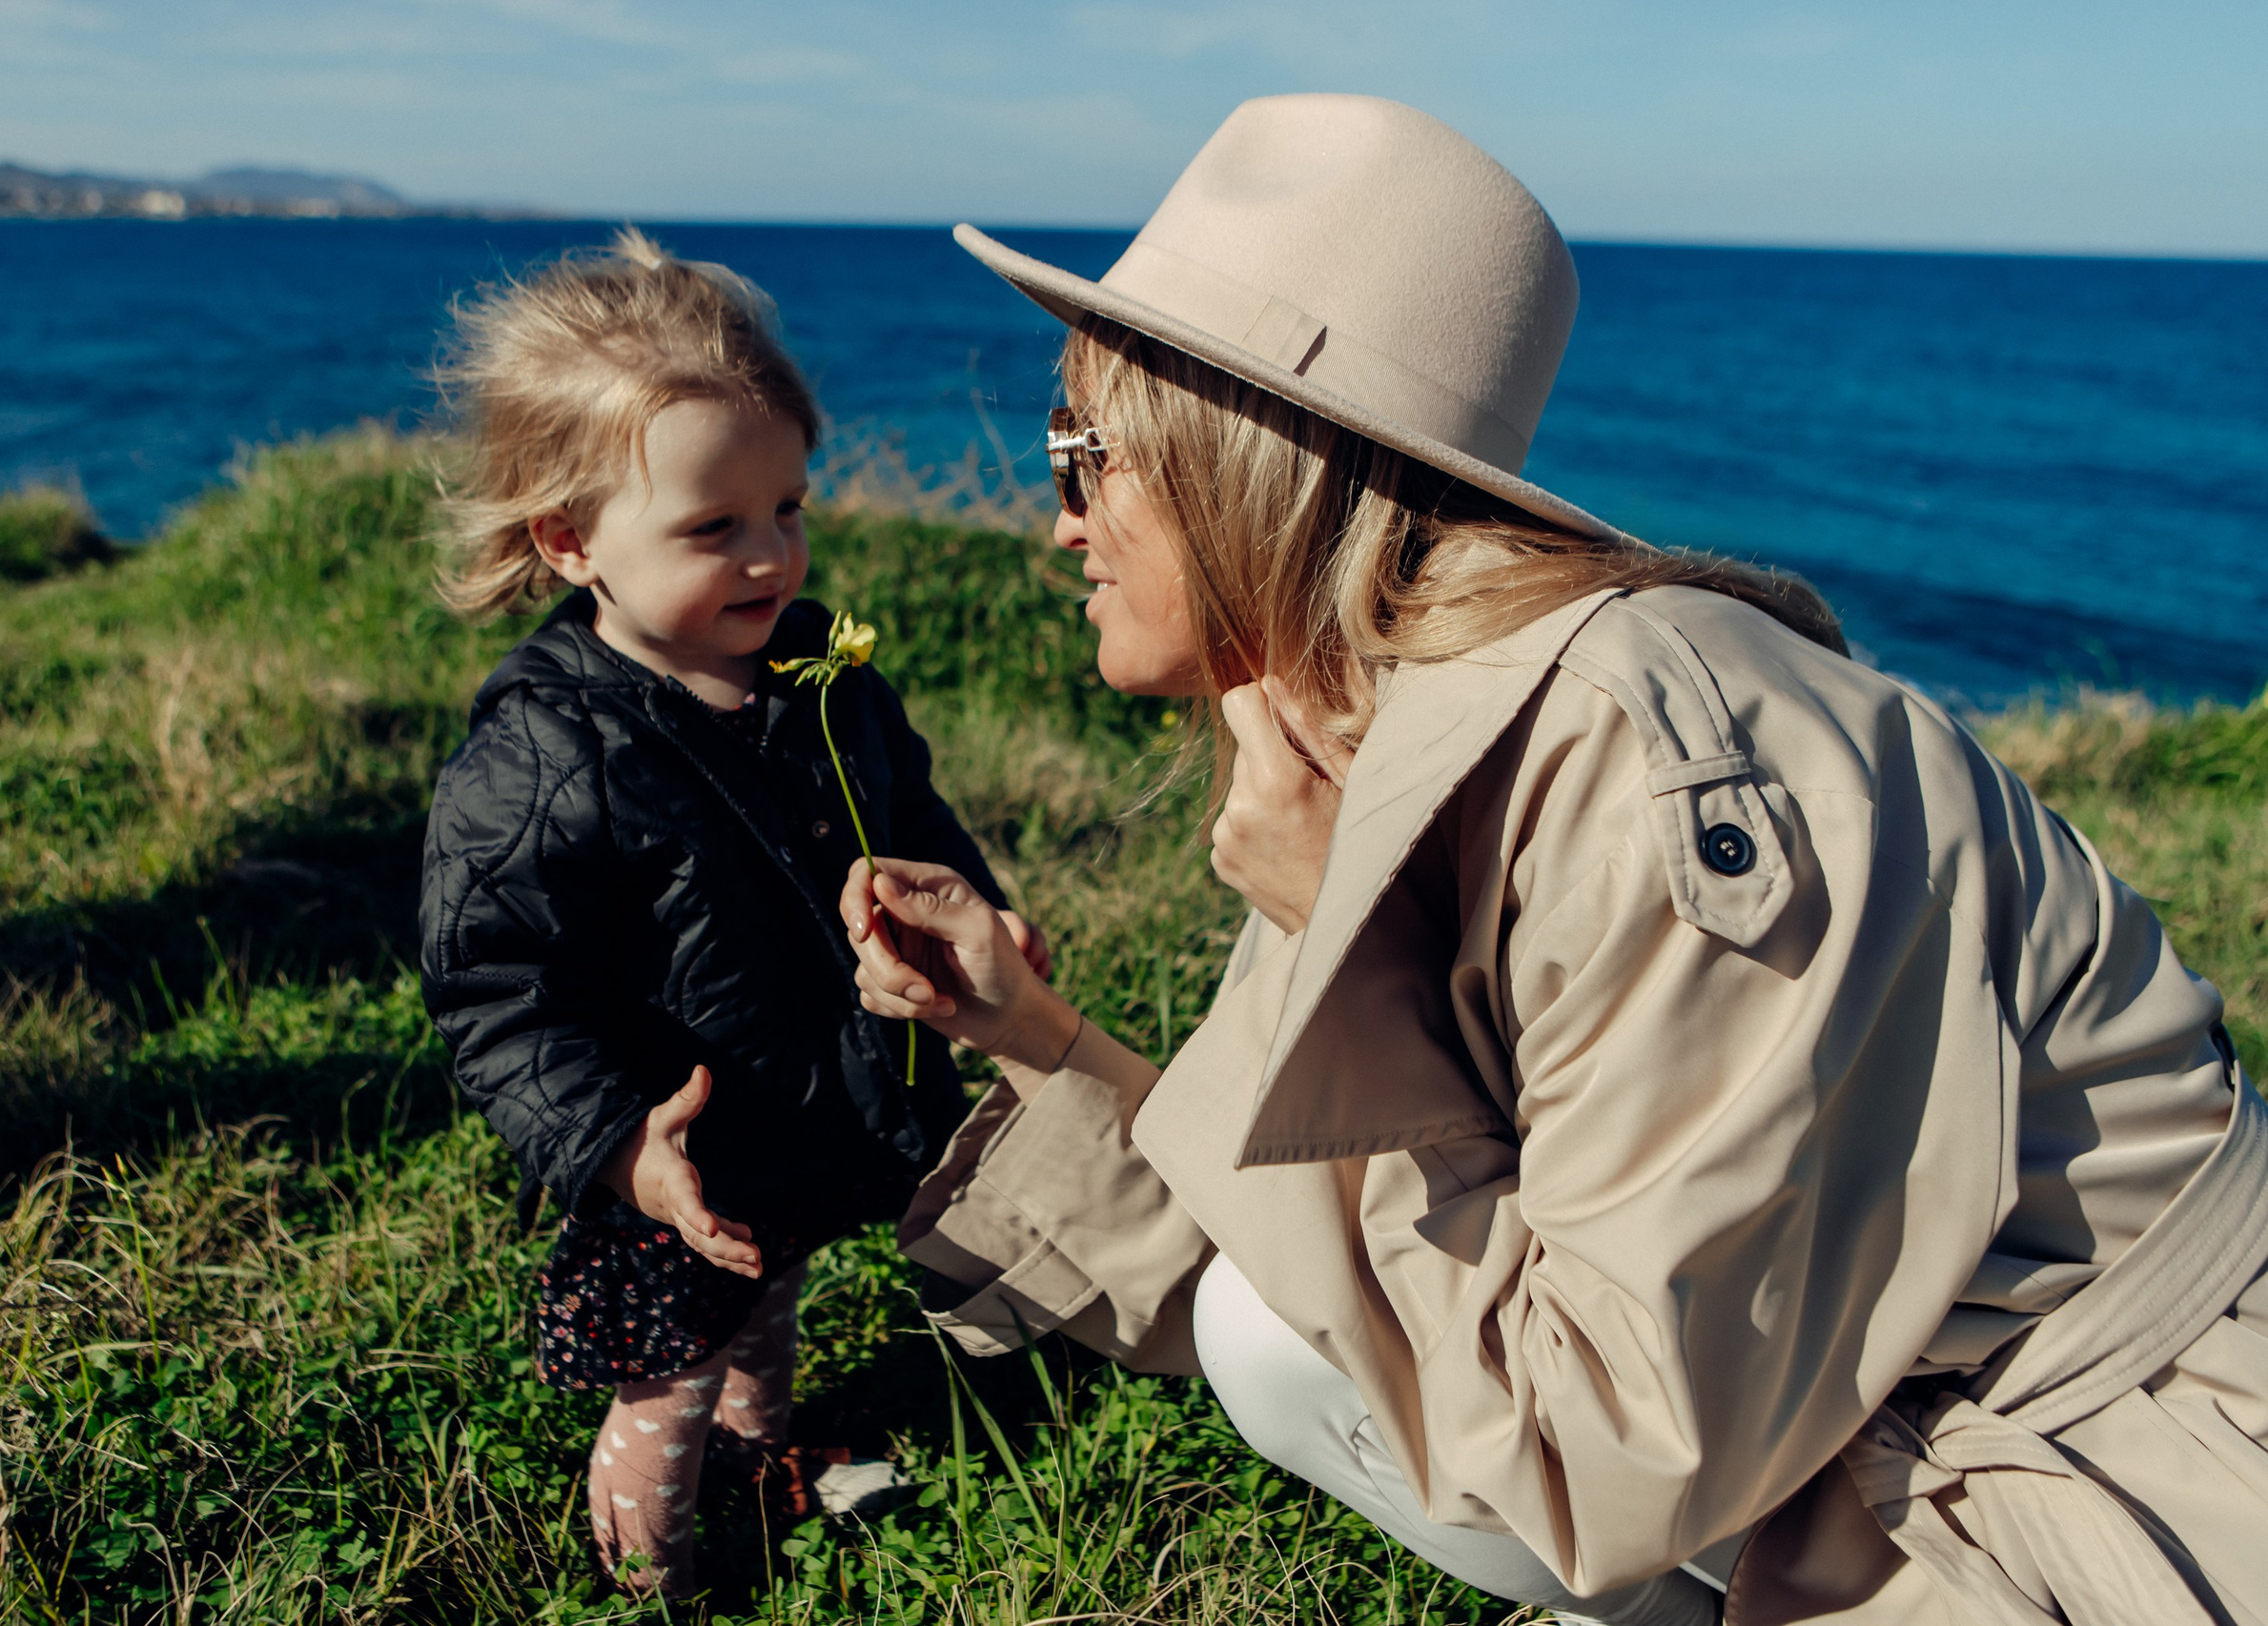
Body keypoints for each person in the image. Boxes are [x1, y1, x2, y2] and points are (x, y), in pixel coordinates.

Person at [846, 96, 2268, 1625]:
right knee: (1274, 1327)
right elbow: (1295, 1224)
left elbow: (1605, 1444)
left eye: (1081, 453)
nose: (1060, 522)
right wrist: (1028, 1028)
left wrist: (1348, 940)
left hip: (2125, 1431)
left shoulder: (1630, 756)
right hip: (1827, 1393)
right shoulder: (1377, 724)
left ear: (1235, 457)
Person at [415, 233, 1041, 1596]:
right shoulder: (545, 755)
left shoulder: (824, 677)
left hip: (809, 1102)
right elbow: (497, 989)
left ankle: (767, 1470)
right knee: (671, 1377)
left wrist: (974, 916)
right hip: (671, 1152)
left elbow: (912, 822)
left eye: (790, 508)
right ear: (570, 540)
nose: (771, 558)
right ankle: (661, 1569)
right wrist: (614, 1141)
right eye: (713, 528)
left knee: (772, 1313)